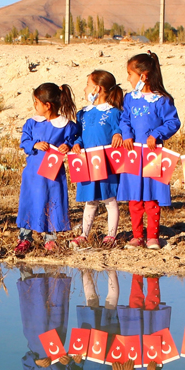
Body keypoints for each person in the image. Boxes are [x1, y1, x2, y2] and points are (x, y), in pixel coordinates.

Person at [113, 52, 180, 249]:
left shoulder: (162, 100)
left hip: (153, 155)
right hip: (133, 154)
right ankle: (137, 236)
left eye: (130, 74)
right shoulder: (130, 99)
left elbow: (173, 122)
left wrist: (157, 134)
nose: (127, 78)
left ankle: (152, 236)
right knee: (135, 197)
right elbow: (124, 119)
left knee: (151, 197)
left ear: (143, 76)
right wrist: (126, 134)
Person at [15, 83, 77, 256]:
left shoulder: (66, 125)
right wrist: (34, 144)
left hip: (53, 175)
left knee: (52, 202)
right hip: (33, 174)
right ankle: (25, 237)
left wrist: (68, 145)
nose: (35, 106)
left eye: (36, 102)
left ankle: (50, 239)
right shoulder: (32, 123)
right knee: (30, 202)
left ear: (47, 105)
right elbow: (24, 141)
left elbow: (76, 138)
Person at [17, 268, 81, 370]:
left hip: (34, 336)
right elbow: (78, 362)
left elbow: (25, 360)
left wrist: (35, 362)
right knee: (55, 309)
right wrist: (69, 360)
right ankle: (54, 274)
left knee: (33, 310)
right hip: (56, 334)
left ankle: (27, 273)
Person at [69, 71, 124, 248]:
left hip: (106, 163)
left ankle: (111, 235)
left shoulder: (114, 113)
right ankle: (84, 234)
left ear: (97, 88)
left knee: (110, 199)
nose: (85, 88)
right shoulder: (82, 113)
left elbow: (122, 128)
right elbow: (78, 134)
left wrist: (118, 133)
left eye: (87, 84)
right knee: (90, 200)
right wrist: (77, 144)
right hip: (87, 162)